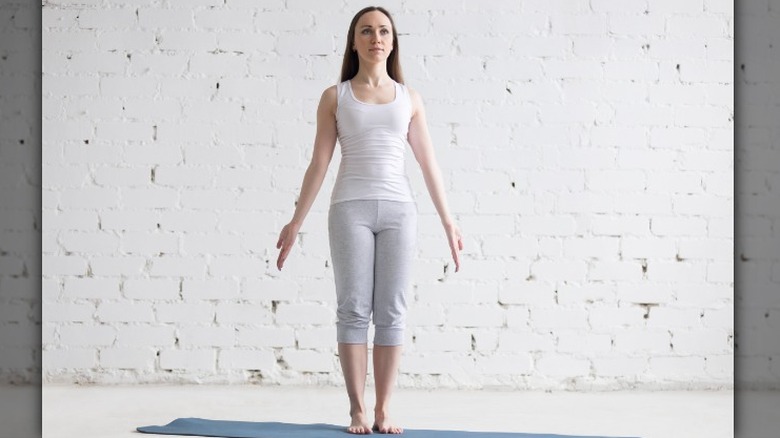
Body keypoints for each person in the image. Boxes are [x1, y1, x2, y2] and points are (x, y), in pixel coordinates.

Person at [275, 6, 463, 435]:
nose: (376, 37)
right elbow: (319, 164)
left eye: (383, 31)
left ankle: (383, 411)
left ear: (392, 41)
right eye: (367, 31)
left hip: (400, 211)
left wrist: (448, 222)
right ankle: (358, 410)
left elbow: (428, 163)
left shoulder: (409, 98)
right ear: (354, 41)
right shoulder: (334, 96)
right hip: (350, 210)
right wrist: (294, 222)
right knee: (354, 309)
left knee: (392, 312)